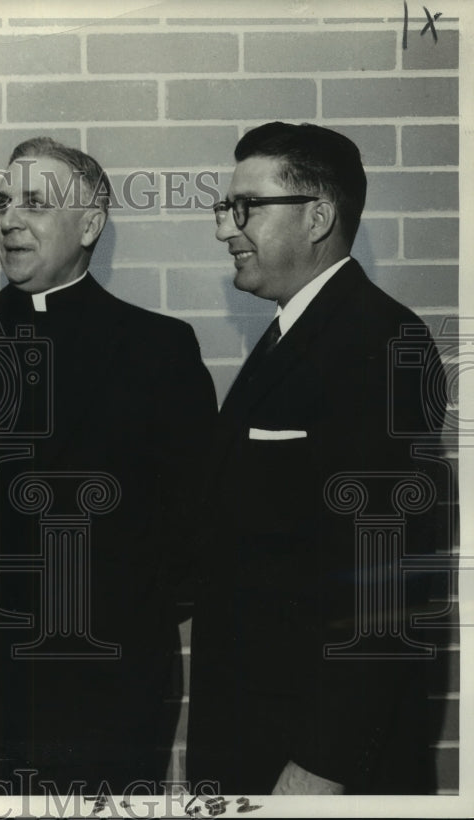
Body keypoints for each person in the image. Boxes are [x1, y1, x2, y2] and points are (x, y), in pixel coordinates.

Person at [0, 137, 217, 795]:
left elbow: (199, 520)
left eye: (33, 203)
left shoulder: (160, 349)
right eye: (2, 203)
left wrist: (126, 618)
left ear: (90, 224)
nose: (7, 221)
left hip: (109, 692)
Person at [186, 122, 446, 795]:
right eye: (226, 207)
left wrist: (321, 765)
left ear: (318, 217)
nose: (226, 229)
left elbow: (387, 581)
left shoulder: (379, 338)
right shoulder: (293, 332)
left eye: (246, 208)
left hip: (310, 763)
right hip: (257, 742)